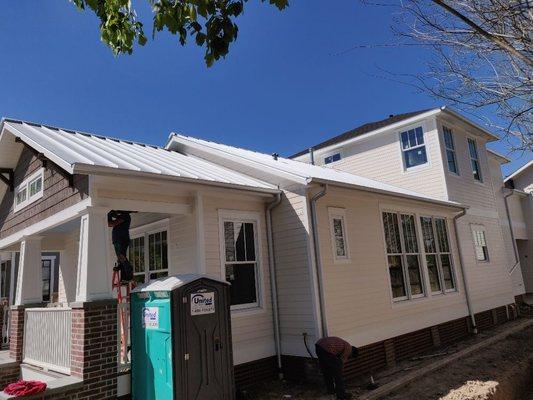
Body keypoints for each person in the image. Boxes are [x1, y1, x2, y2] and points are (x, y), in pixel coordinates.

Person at [107, 210, 133, 283]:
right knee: (120, 256)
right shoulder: (121, 216)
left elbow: (111, 224)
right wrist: (111, 214)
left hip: (122, 239)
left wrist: (109, 215)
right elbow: (114, 219)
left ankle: (129, 272)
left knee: (121, 255)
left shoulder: (125, 216)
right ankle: (124, 277)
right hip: (118, 240)